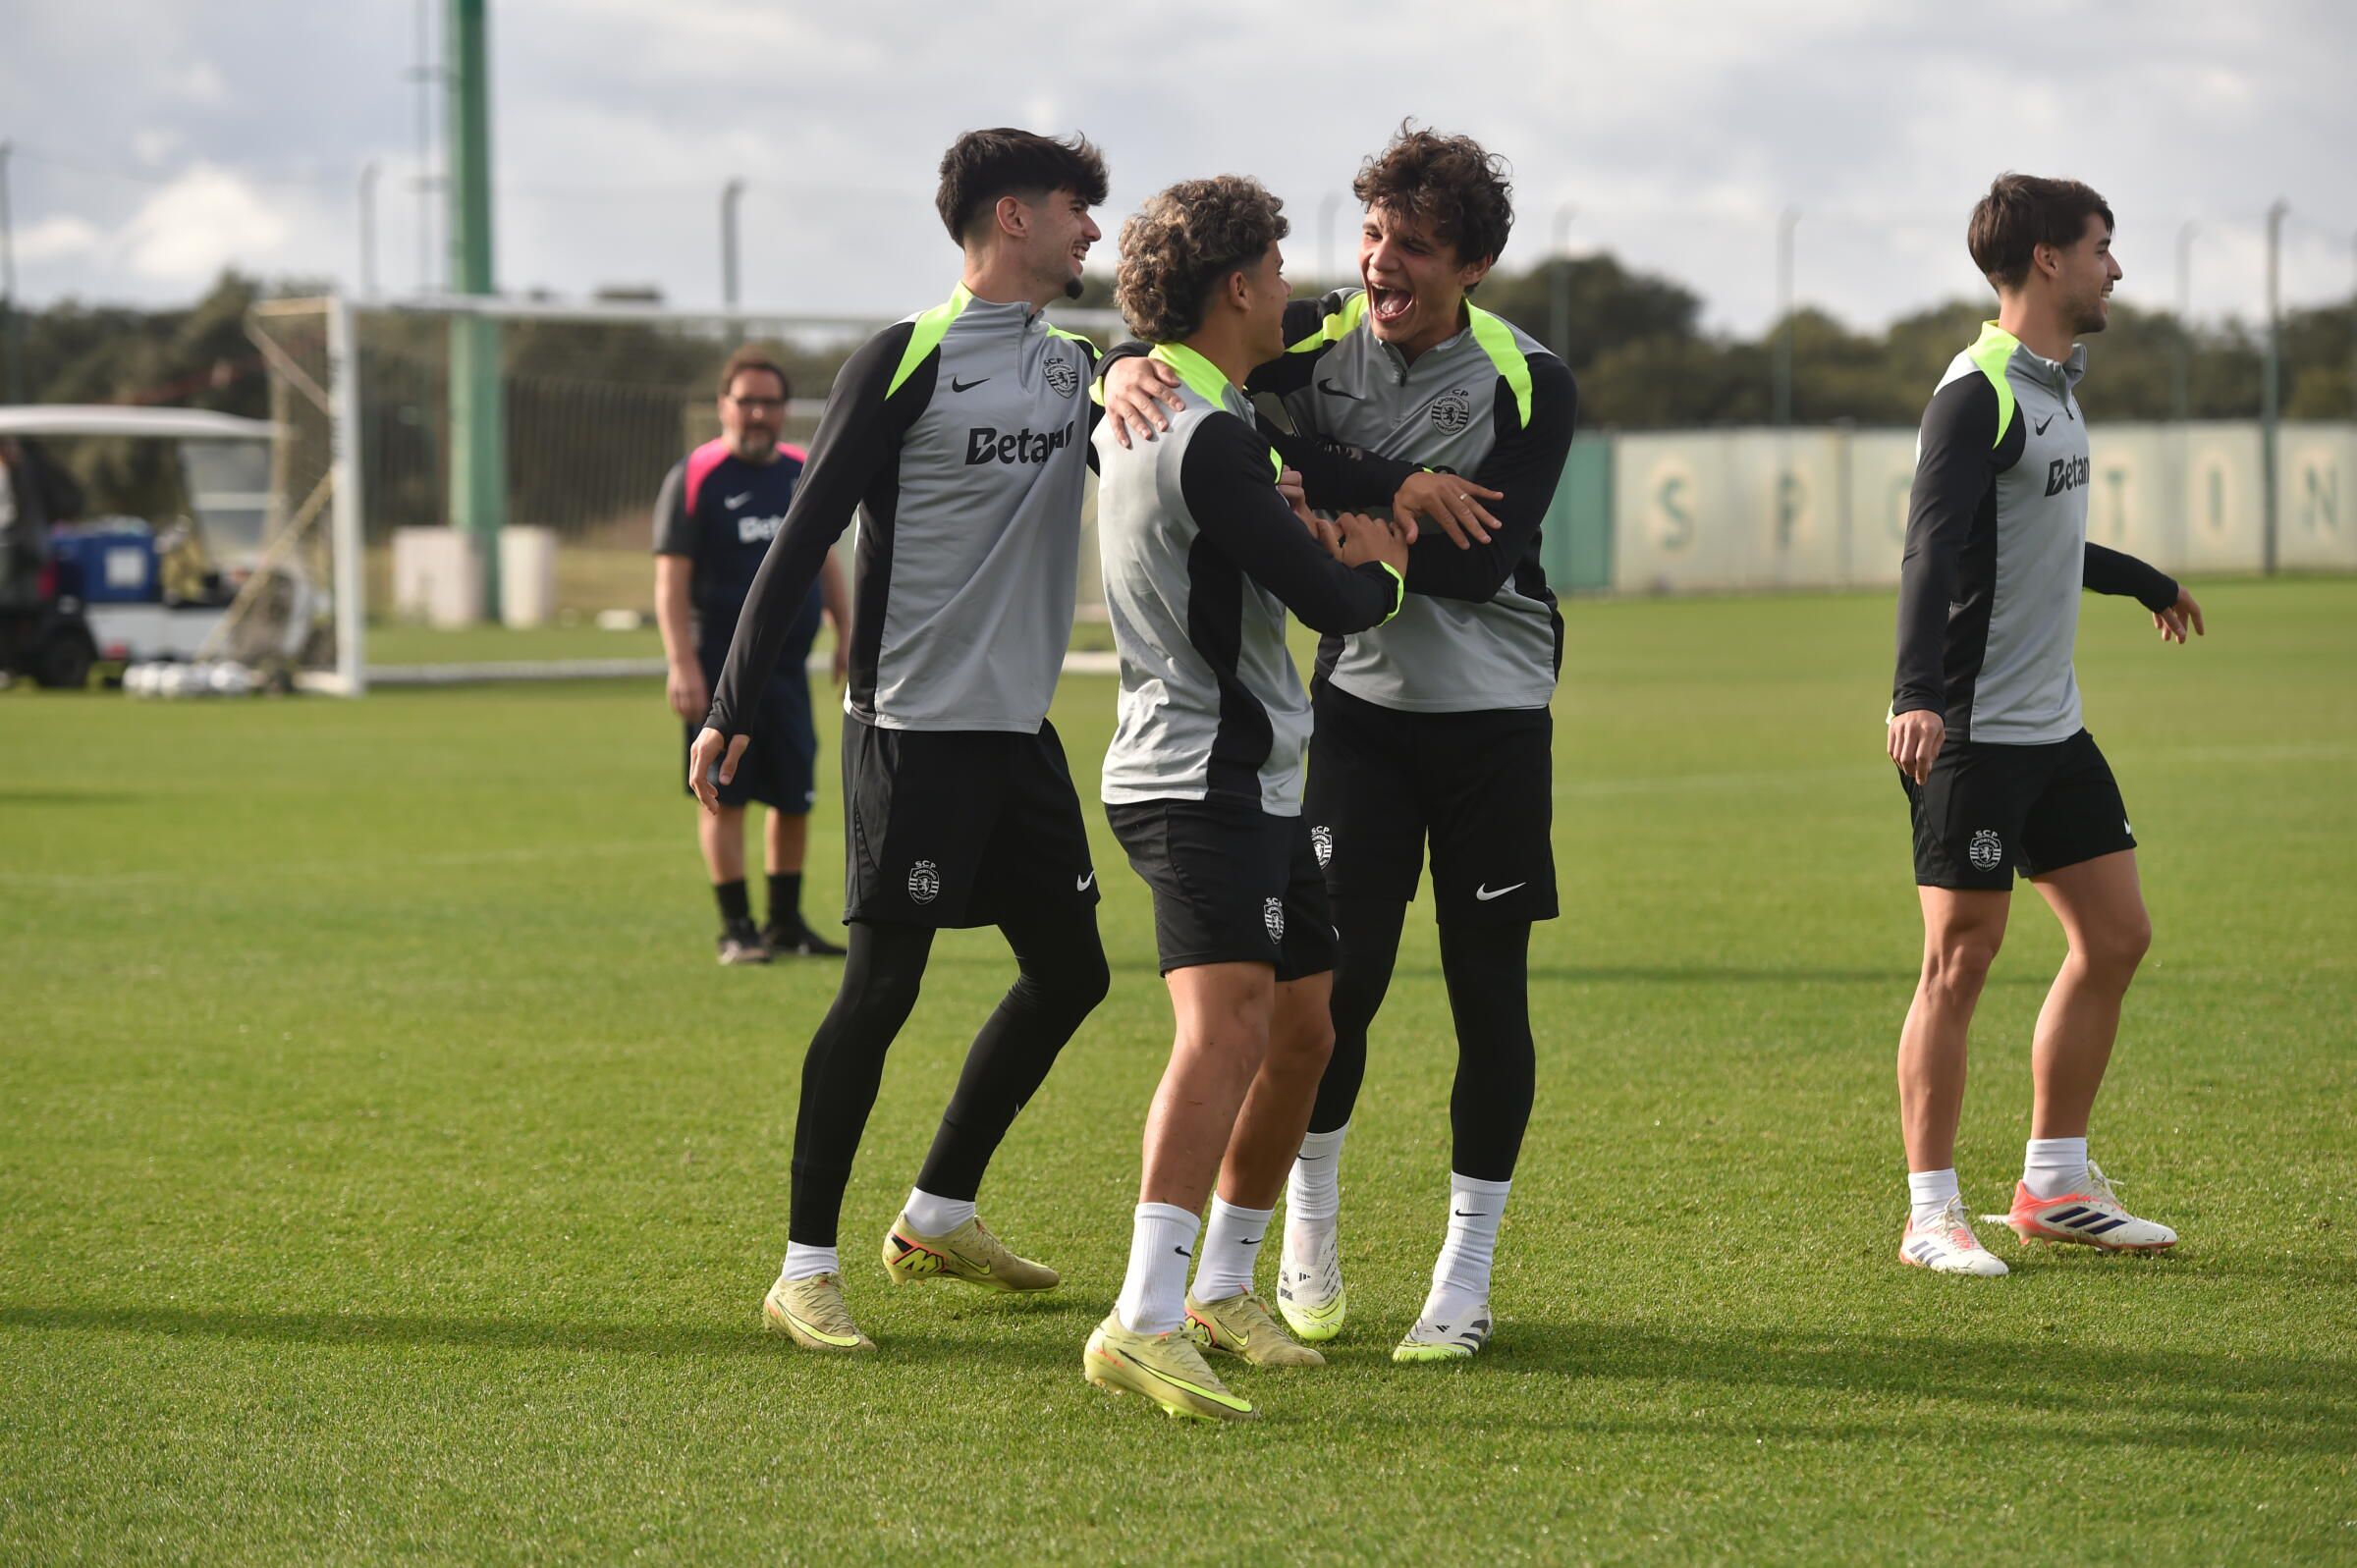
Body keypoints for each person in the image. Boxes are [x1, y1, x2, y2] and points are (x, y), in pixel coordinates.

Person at [1101, 126, 1576, 1362]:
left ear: (1473, 264)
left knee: (1489, 992)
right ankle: (1300, 1235)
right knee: (1331, 999)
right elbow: (1194, 378)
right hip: (1354, 717)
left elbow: (1482, 558)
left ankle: (1462, 1277)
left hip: (1493, 723)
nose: (1380, 264)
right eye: (1370, 236)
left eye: (1412, 247)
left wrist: (1356, 514)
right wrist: (1113, 370)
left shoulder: (1531, 381)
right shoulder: (1305, 336)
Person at [690, 129, 1113, 1353]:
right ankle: (803, 1270)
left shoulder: (1080, 366)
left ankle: (936, 1211)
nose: (1095, 229)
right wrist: (729, 702)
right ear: (1011, 217)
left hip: (1016, 733)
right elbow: (803, 531)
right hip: (912, 729)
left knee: (1075, 973)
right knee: (881, 990)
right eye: (1077, 207)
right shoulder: (906, 357)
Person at [1081, 175, 1412, 1422]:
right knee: (1224, 1036)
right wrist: (1379, 567)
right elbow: (1330, 602)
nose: (1289, 288)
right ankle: (1143, 1318)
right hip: (1196, 778)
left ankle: (1221, 1286)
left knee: (1306, 1031)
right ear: (1234, 288)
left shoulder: (1179, 406)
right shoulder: (1203, 430)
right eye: (1275, 271)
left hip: (1256, 775)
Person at [1886, 174, 2204, 1275]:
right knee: (1959, 961)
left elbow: (2040, 537)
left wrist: (2140, 578)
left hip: (2054, 730)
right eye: (2103, 246)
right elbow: (1932, 545)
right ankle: (1932, 1213)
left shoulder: (2060, 386)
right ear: (2049, 260)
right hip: (1969, 732)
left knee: (2116, 935)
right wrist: (1915, 692)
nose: (2117, 266)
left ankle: (2054, 1184)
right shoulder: (1974, 393)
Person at [654, 349, 850, 964]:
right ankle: (735, 927)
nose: (758, 413)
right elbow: (670, 582)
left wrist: (848, 629)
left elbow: (825, 557)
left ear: (784, 410)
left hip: (787, 672)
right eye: (746, 401)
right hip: (717, 672)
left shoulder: (800, 470)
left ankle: (784, 923)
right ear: (723, 406)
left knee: (795, 797)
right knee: (725, 796)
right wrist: (681, 663)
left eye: (769, 402)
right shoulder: (696, 476)